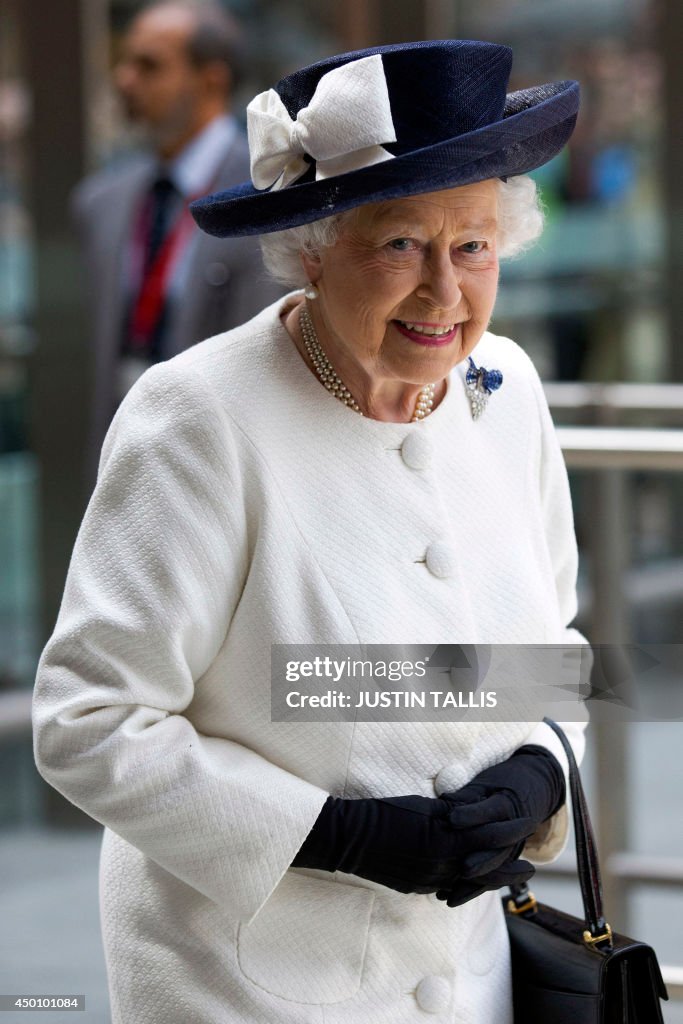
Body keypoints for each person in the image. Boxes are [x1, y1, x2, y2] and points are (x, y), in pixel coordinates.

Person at [34, 40, 589, 1024]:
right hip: (246, 991)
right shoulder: (197, 418)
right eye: (398, 245)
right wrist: (338, 835)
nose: (442, 291)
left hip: (472, 984)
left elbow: (553, 651)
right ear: (314, 245)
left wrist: (539, 770)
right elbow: (90, 722)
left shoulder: (505, 393)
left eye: (471, 246)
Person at [72, 0, 282, 485]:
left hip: (224, 471)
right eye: (124, 63)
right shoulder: (100, 203)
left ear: (211, 80)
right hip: (123, 462)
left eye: (149, 65)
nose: (124, 80)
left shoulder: (271, 192)